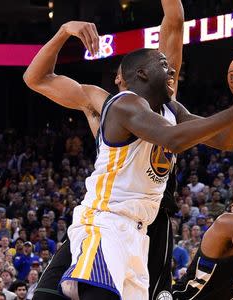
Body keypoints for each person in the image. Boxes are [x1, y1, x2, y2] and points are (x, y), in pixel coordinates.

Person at [22, 1, 191, 299]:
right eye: (123, 72)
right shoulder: (102, 104)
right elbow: (35, 79)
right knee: (46, 294)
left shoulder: (166, 96)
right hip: (106, 217)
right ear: (119, 78)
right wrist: (64, 31)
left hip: (151, 220)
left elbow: (174, 20)